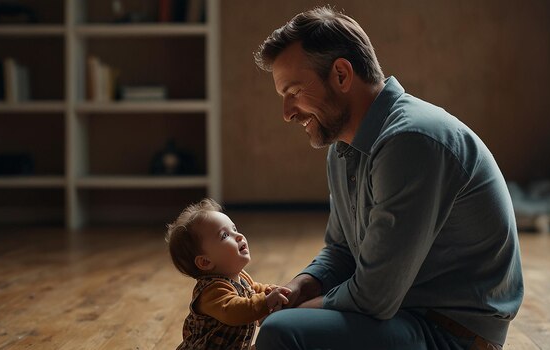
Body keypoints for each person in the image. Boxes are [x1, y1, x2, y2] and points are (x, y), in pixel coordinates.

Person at [253, 6, 523, 350]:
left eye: (293, 91)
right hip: (400, 316)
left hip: (450, 334)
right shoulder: (342, 150)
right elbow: (341, 251)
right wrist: (301, 285)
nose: (287, 113)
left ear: (341, 75)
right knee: (288, 323)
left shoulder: (412, 140)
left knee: (283, 332)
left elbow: (374, 296)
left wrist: (299, 313)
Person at [165, 198, 291, 350]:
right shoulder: (211, 291)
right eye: (225, 236)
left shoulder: (239, 276)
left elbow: (253, 289)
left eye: (235, 229)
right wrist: (265, 302)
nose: (238, 236)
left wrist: (269, 291)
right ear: (205, 262)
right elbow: (232, 311)